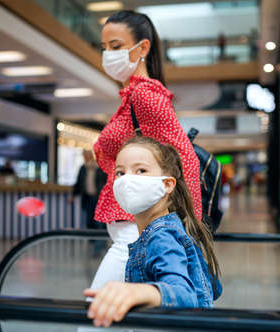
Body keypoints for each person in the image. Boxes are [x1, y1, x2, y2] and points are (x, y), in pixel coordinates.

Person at [91, 10, 203, 292]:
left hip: (137, 233)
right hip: (132, 230)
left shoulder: (144, 95)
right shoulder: (132, 95)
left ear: (142, 47)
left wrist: (187, 229)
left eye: (115, 46)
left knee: (97, 312)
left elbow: (184, 159)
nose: (108, 55)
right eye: (104, 48)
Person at [84, 137, 222, 327]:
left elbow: (184, 294)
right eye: (120, 172)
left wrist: (139, 292)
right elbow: (213, 288)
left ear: (167, 184)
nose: (127, 180)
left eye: (141, 170)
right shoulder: (171, 226)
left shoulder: (161, 236)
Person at [71, 150, 106, 230]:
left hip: (99, 198)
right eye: (84, 155)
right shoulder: (83, 168)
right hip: (87, 197)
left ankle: (100, 242)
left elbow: (105, 182)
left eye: (86, 155)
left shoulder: (100, 167)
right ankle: (92, 241)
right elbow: (78, 183)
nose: (85, 157)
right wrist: (73, 195)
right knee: (89, 220)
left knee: (99, 221)